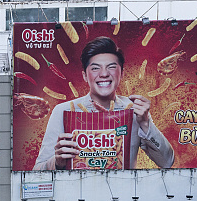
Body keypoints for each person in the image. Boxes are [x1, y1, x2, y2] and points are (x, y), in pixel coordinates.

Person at [34, 36, 175, 171]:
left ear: (122, 73)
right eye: (95, 68)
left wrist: (145, 123)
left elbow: (167, 162)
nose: (104, 74)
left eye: (111, 67)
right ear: (84, 76)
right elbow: (38, 170)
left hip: (122, 188)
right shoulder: (63, 111)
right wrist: (57, 162)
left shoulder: (134, 110)